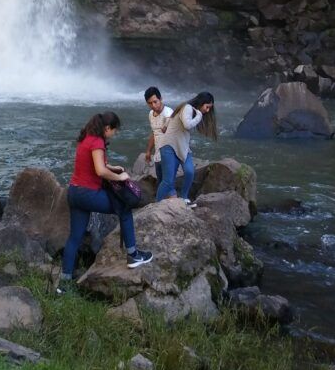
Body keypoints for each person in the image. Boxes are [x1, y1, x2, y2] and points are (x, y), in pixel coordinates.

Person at [57, 111, 153, 294]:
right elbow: (100, 171)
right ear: (107, 128)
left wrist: (113, 167)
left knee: (74, 238)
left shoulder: (86, 138)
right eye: (114, 131)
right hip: (88, 194)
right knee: (124, 209)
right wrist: (120, 176)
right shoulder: (98, 142)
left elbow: (97, 165)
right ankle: (133, 255)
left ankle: (64, 284)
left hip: (74, 193)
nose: (114, 134)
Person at [156, 92, 218, 206]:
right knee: (168, 182)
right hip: (169, 146)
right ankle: (156, 205)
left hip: (183, 146)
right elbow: (187, 125)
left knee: (190, 172)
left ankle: (184, 198)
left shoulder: (187, 108)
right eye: (207, 107)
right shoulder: (188, 108)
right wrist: (199, 116)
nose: (208, 110)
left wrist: (166, 126)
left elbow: (172, 117)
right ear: (201, 103)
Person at [144, 86, 173, 187]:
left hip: (168, 154)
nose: (153, 105)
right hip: (157, 154)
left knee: (167, 183)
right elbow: (154, 132)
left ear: (161, 99)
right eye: (150, 103)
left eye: (155, 101)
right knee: (160, 181)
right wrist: (148, 151)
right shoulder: (151, 114)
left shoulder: (168, 113)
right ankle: (162, 202)